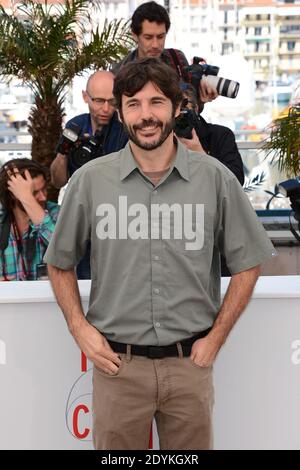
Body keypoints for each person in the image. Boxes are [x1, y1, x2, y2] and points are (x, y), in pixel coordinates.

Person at [44, 58, 276, 450]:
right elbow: (59, 261)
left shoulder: (215, 178)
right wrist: (79, 328)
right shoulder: (90, 181)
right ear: (119, 112)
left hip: (190, 366)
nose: (145, 115)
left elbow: (248, 262)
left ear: (177, 107)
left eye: (156, 102)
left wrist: (215, 339)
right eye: (133, 104)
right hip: (118, 367)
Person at [50, 70, 128, 279]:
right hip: (83, 219)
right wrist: (63, 152)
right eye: (98, 101)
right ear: (85, 97)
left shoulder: (124, 129)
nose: (105, 108)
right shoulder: (75, 125)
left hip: (116, 221)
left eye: (112, 102)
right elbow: (58, 181)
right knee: (86, 282)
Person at [112, 1, 217, 104]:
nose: (155, 45)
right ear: (134, 35)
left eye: (161, 37)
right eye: (148, 37)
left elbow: (192, 107)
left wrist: (201, 99)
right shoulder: (120, 73)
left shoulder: (176, 58)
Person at [0, 158, 59, 281]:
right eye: (35, 192)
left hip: (49, 299)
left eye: (44, 189)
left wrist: (27, 198)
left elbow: (63, 249)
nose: (43, 197)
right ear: (13, 194)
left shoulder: (57, 214)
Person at [177, 83, 244, 185]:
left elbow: (237, 180)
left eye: (184, 105)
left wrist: (201, 155)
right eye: (173, 107)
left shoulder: (220, 135)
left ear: (196, 109)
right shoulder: (161, 138)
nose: (178, 113)